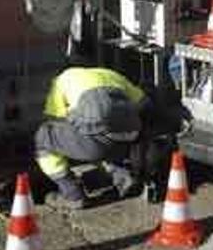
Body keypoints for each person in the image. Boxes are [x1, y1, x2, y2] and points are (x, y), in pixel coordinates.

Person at [34, 66, 148, 210]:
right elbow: (143, 103)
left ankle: (72, 195)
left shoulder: (61, 80)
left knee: (44, 136)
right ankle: (123, 177)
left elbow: (53, 119)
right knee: (105, 125)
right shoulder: (110, 74)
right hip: (130, 142)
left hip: (95, 146)